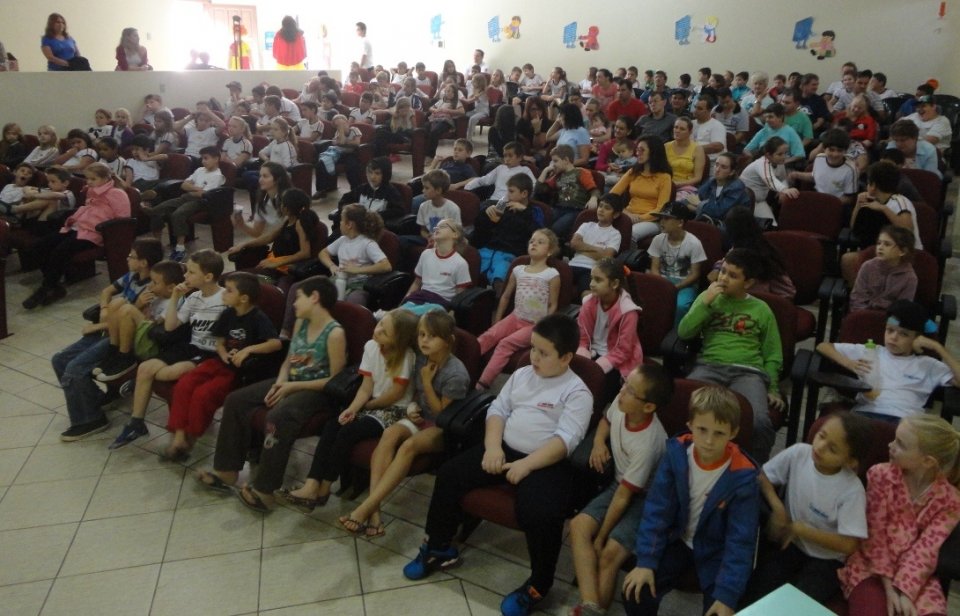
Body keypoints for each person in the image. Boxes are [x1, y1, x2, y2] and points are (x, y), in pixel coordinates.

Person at [403, 314, 593, 616]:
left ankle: (538, 584)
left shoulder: (577, 392)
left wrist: (528, 465)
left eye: (543, 353)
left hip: (545, 461)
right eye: (532, 349)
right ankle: (438, 547)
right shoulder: (522, 375)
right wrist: (492, 446)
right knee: (450, 474)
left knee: (542, 513)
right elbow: (498, 411)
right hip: (503, 447)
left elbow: (566, 440)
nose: (534, 358)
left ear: (567, 357)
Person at [196, 276, 347, 511]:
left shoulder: (335, 333)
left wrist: (291, 387)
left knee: (278, 416)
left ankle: (265, 490)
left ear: (315, 298)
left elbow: (333, 381)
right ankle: (226, 471)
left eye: (298, 298)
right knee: (236, 400)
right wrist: (280, 382)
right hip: (291, 381)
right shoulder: (301, 322)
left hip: (316, 392)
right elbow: (290, 359)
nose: (294, 304)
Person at [622, 385, 760, 616]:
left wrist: (727, 595)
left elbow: (740, 542)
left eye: (719, 433)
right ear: (690, 426)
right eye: (702, 430)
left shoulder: (742, 478)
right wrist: (646, 561)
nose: (708, 440)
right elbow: (657, 512)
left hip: (717, 552)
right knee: (636, 593)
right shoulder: (676, 457)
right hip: (678, 540)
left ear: (733, 433)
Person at [279, 308, 419, 519]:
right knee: (334, 424)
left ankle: (325, 487)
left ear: (399, 340)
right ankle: (311, 484)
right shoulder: (371, 347)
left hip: (394, 411)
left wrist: (368, 407)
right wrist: (352, 409)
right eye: (380, 324)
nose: (377, 330)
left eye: (385, 331)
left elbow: (396, 394)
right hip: (371, 404)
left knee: (349, 431)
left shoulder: (406, 356)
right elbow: (365, 387)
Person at [569, 365, 673, 616]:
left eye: (630, 390)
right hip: (622, 483)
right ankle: (591, 606)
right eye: (625, 384)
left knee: (609, 553)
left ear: (648, 407)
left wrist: (602, 536)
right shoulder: (623, 401)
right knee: (578, 526)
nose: (621, 391)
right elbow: (607, 421)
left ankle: (591, 608)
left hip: (647, 497)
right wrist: (597, 443)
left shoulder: (648, 443)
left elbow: (625, 497)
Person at [740, 412, 872, 607]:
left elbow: (849, 545)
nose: (820, 447)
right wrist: (777, 507)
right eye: (821, 435)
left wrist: (803, 530)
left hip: (827, 562)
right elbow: (761, 476)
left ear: (850, 462)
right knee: (754, 593)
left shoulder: (851, 490)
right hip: (792, 546)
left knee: (794, 607)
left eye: (833, 449)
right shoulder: (799, 453)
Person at [839, 414, 960, 615]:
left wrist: (905, 592)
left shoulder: (951, 500)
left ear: (927, 461)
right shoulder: (880, 475)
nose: (890, 445)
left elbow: (926, 550)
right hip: (869, 567)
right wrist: (889, 588)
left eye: (901, 444)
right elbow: (874, 538)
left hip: (917, 577)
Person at [55, 259, 182, 442]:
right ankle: (96, 399)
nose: (127, 257)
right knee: (59, 360)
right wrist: (108, 311)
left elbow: (155, 325)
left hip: (138, 339)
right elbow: (109, 295)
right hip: (116, 331)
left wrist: (103, 324)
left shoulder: (168, 299)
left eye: (132, 255)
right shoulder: (138, 282)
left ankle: (91, 418)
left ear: (144, 262)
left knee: (74, 367)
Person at [109, 250, 226, 449]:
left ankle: (136, 383)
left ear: (207, 277)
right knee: (146, 368)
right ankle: (136, 423)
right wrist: (175, 297)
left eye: (191, 272)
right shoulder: (194, 298)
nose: (185, 276)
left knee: (166, 373)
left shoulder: (225, 298)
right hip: (190, 348)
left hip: (211, 354)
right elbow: (171, 325)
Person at [163, 272, 282, 461]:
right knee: (184, 385)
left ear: (243, 298)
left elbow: (275, 343)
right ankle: (178, 436)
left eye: (228, 291)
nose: (224, 294)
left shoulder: (257, 317)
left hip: (237, 373)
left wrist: (248, 350)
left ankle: (190, 437)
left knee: (204, 394)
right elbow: (219, 341)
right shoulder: (227, 313)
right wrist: (223, 353)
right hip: (219, 361)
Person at [678, 248, 783, 462]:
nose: (724, 278)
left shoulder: (761, 309)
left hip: (748, 372)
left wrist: (772, 387)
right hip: (710, 366)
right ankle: (685, 461)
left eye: (732, 275)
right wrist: (705, 303)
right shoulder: (708, 298)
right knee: (685, 407)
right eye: (723, 271)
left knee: (759, 422)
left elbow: (773, 353)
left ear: (748, 283)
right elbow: (684, 332)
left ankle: (754, 470)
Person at [816, 300, 960, 423]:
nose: (893, 337)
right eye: (890, 330)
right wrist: (849, 363)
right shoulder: (871, 351)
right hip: (866, 415)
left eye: (903, 334)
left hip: (906, 422)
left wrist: (938, 347)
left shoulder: (928, 364)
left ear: (917, 338)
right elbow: (823, 346)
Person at [22, 163, 131, 309]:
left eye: (93, 179)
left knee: (60, 251)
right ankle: (54, 284)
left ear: (106, 178)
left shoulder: (116, 193)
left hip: (96, 232)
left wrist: (102, 228)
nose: (89, 182)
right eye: (88, 179)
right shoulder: (91, 190)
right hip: (78, 227)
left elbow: (123, 220)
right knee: (40, 246)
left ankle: (46, 288)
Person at [477, 229, 561, 390]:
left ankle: (482, 383)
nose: (534, 243)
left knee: (505, 344)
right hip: (515, 317)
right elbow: (506, 296)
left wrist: (543, 329)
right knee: (489, 335)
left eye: (540, 242)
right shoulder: (518, 269)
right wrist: (497, 320)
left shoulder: (551, 274)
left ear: (550, 251)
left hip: (534, 325)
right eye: (532, 241)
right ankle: (467, 364)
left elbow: (553, 305)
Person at [227, 188, 319, 287]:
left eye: (282, 203)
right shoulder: (288, 219)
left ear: (288, 208)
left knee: (240, 283)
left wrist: (277, 262)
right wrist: (244, 244)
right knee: (232, 279)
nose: (280, 206)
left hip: (283, 271)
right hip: (272, 264)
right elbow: (270, 237)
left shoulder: (300, 223)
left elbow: (305, 253)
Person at [146, 146, 225, 262]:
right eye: (202, 158)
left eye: (206, 158)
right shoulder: (199, 170)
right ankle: (156, 244)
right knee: (160, 208)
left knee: (178, 214)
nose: (203, 161)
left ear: (216, 159)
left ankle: (180, 248)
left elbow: (204, 195)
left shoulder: (217, 176)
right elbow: (183, 185)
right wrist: (196, 189)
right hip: (187, 197)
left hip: (201, 203)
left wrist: (192, 189)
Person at [577, 258, 643, 395]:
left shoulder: (628, 312)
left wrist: (598, 366)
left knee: (595, 388)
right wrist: (582, 353)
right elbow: (582, 337)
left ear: (614, 284)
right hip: (592, 352)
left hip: (617, 360)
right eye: (591, 279)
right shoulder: (588, 303)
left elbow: (623, 350)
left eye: (598, 280)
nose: (591, 284)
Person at [472, 173, 540, 294]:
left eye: (511, 191)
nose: (507, 195)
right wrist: (485, 213)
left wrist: (524, 212)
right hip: (488, 250)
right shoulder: (503, 207)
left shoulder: (534, 212)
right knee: (469, 265)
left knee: (500, 275)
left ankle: (499, 306)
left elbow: (539, 234)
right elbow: (481, 230)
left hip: (509, 255)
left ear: (524, 194)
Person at [649, 202, 708, 325]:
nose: (661, 222)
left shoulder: (694, 243)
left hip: (685, 284)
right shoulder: (658, 239)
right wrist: (661, 285)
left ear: (680, 223)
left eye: (666, 219)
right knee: (649, 300)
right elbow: (654, 268)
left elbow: (694, 274)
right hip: (663, 280)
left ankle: (676, 335)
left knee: (680, 306)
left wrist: (675, 287)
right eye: (661, 218)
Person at [397, 219, 472, 315]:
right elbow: (416, 283)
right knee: (403, 312)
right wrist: (403, 301)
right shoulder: (426, 254)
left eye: (443, 226)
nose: (437, 229)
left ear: (455, 235)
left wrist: (451, 314)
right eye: (436, 227)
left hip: (440, 303)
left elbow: (459, 295)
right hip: (419, 298)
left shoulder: (460, 263)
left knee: (409, 315)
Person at [320, 204, 391, 304]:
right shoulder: (343, 240)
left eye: (341, 220)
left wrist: (357, 270)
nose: (340, 223)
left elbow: (386, 265)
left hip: (359, 285)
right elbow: (323, 253)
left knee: (353, 301)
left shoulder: (367, 244)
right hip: (340, 279)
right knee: (318, 294)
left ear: (349, 225)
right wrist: (332, 266)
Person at [609, 136, 673, 242]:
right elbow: (612, 196)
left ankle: (625, 258)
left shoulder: (664, 177)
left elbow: (661, 209)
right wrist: (626, 213)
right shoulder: (633, 172)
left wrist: (639, 219)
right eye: (637, 149)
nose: (638, 153)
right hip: (628, 215)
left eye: (642, 150)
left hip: (652, 220)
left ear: (653, 152)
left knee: (629, 233)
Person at [849, 160, 922, 252]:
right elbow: (854, 227)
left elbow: (907, 230)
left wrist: (884, 209)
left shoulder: (900, 201)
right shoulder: (871, 200)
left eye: (868, 182)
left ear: (873, 185)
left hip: (905, 252)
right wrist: (858, 205)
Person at [848, 226, 918, 311]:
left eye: (887, 244)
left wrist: (889, 322)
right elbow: (857, 298)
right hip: (864, 314)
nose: (880, 247)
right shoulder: (867, 266)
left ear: (902, 251)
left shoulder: (909, 278)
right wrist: (864, 317)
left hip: (890, 320)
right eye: (879, 243)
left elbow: (903, 309)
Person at [538, 145, 600, 239]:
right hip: (559, 208)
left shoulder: (581, 172)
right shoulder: (557, 176)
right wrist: (545, 171)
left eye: (555, 161)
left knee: (556, 229)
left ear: (566, 160)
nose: (553, 164)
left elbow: (594, 189)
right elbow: (539, 189)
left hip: (575, 210)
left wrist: (593, 198)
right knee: (541, 225)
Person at [569, 193, 626, 295]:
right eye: (600, 206)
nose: (601, 210)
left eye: (607, 208)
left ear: (616, 214)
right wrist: (598, 251)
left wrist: (582, 248)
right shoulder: (586, 225)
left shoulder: (615, 234)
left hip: (592, 270)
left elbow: (606, 257)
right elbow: (574, 244)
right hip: (572, 265)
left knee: (587, 294)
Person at [790, 129, 857, 209]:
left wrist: (827, 204)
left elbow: (849, 198)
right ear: (824, 149)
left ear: (845, 151)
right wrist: (797, 174)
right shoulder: (819, 158)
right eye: (831, 150)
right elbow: (816, 177)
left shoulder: (850, 170)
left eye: (839, 151)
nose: (835, 154)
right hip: (817, 197)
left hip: (835, 204)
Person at [334, 157, 405, 232]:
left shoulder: (391, 192)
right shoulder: (362, 189)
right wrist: (348, 209)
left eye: (377, 173)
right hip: (356, 227)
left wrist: (374, 216)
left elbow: (398, 211)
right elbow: (344, 200)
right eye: (370, 172)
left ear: (385, 174)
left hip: (375, 229)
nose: (372, 177)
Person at [739, 137, 799, 226]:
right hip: (742, 202)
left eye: (785, 153)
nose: (784, 157)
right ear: (768, 155)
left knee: (772, 225)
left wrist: (783, 190)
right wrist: (784, 189)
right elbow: (770, 180)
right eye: (779, 154)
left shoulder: (779, 163)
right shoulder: (761, 163)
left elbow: (782, 179)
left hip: (759, 201)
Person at [685, 153, 751, 225]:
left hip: (730, 228)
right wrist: (701, 209)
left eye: (723, 167)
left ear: (732, 172)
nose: (717, 169)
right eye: (716, 164)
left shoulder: (736, 187)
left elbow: (719, 213)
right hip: (710, 222)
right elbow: (690, 199)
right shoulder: (711, 181)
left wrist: (699, 204)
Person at [234, 162, 291, 241]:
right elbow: (257, 233)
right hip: (277, 243)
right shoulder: (262, 201)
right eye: (260, 176)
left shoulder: (289, 199)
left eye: (265, 176)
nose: (260, 180)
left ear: (278, 179)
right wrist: (242, 224)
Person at [665, 117, 707, 194]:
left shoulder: (698, 149)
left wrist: (677, 184)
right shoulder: (666, 146)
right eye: (676, 127)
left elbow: (698, 178)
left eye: (682, 129)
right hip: (665, 184)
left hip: (685, 187)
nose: (677, 131)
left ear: (690, 132)